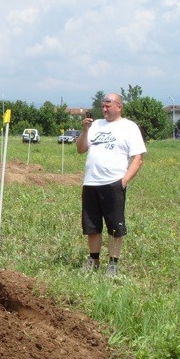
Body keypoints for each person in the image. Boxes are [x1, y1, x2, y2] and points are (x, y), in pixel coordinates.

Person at [76, 92, 146, 277]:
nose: (104, 109)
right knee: (91, 225)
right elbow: (80, 149)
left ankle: (113, 263)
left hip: (113, 183)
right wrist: (85, 130)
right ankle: (94, 259)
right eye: (103, 106)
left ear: (119, 106)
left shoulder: (129, 127)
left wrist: (123, 182)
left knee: (115, 226)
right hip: (91, 182)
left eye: (108, 105)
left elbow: (138, 158)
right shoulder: (95, 125)